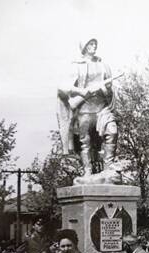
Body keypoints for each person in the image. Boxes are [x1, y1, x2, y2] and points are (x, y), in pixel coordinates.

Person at [57, 38, 120, 184]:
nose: (94, 46)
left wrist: (106, 88)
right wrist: (81, 91)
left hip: (103, 109)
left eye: (95, 44)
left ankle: (109, 166)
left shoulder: (103, 65)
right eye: (90, 44)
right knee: (85, 142)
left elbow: (110, 88)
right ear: (84, 47)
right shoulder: (76, 66)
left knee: (112, 131)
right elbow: (62, 87)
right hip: (85, 110)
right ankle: (88, 171)